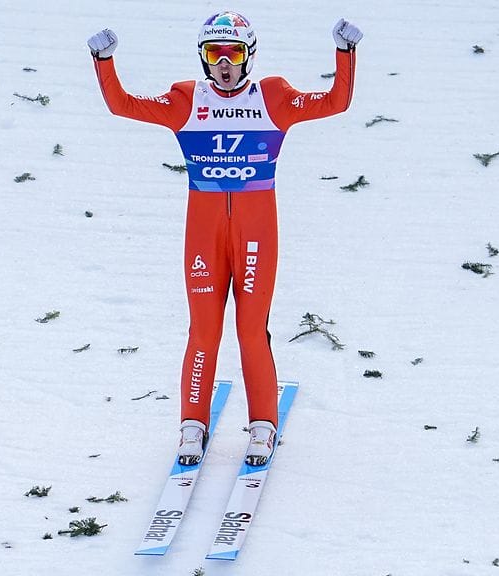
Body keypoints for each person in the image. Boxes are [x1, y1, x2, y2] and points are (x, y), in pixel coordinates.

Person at [88, 11, 362, 467]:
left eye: (232, 53)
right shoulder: (185, 101)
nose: (223, 64)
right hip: (204, 236)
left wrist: (344, 52)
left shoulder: (272, 97)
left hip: (256, 235)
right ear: (203, 58)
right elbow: (123, 105)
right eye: (214, 54)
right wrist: (104, 59)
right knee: (204, 330)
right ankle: (191, 425)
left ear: (247, 55)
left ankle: (262, 425)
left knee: (250, 330)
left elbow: (336, 102)